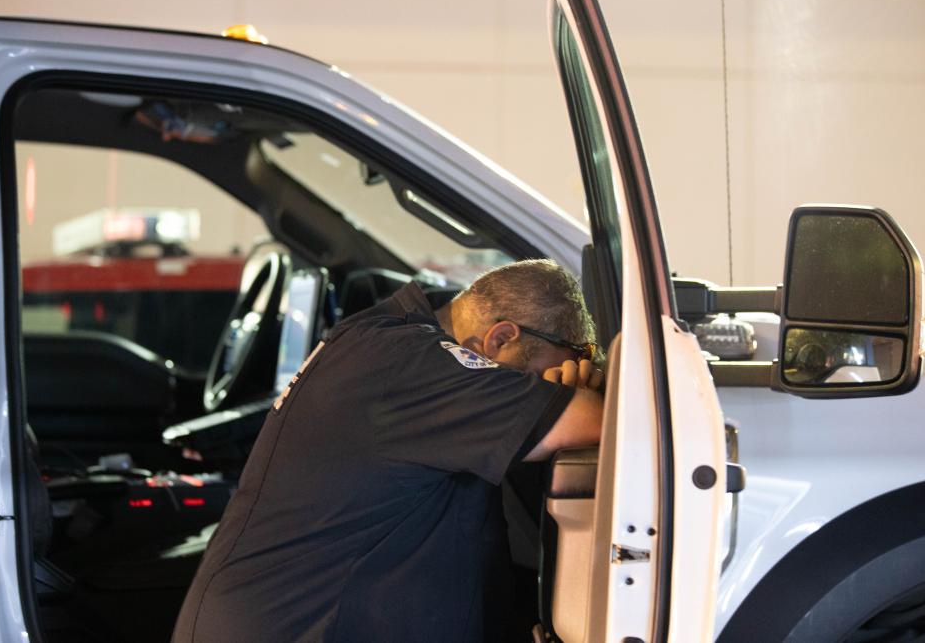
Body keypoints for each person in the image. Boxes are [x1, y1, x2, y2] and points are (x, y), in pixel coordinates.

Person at [172, 259, 605, 643]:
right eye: (545, 371)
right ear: (500, 340)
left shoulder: (389, 340)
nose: (542, 384)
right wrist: (576, 393)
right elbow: (598, 420)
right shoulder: (417, 364)